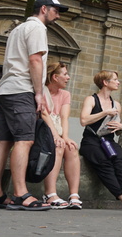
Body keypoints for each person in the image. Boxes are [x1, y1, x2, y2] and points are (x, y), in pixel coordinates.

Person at [0, 0, 68, 211]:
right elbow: (35, 60)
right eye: (56, 10)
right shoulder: (37, 28)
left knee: (4, 141)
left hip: (6, 90)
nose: (58, 15)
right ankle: (21, 194)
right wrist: (38, 93)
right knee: (25, 140)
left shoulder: (18, 29)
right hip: (21, 90)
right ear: (44, 9)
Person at [79, 70, 122, 211]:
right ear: (105, 82)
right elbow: (84, 120)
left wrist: (120, 127)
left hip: (108, 141)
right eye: (115, 79)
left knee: (119, 161)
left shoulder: (116, 104)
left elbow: (116, 129)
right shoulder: (91, 100)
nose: (118, 82)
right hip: (91, 141)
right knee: (104, 163)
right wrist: (105, 112)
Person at [40, 62, 82, 209]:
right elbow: (44, 115)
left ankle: (74, 195)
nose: (68, 77)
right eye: (65, 74)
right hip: (42, 131)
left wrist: (65, 137)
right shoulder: (41, 91)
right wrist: (56, 137)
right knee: (58, 146)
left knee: (71, 148)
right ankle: (50, 194)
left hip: (57, 131)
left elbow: (64, 117)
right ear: (55, 77)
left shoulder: (65, 94)